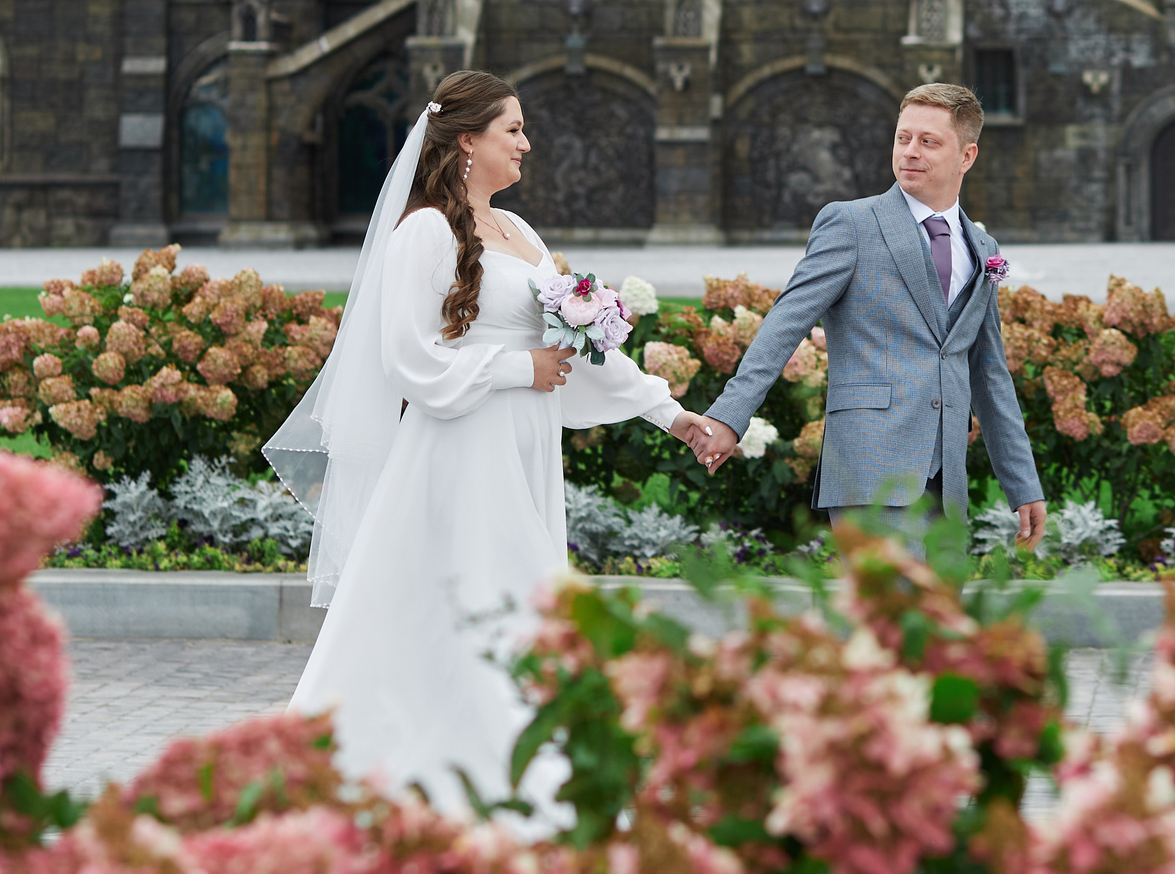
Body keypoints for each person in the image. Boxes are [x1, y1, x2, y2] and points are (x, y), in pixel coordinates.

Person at [267, 69, 714, 806]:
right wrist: (516, 369)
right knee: (485, 592)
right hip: (461, 448)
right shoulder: (423, 232)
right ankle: (476, 765)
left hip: (524, 445)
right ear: (468, 140)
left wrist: (670, 413)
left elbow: (574, 353)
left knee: (516, 597)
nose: (527, 143)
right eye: (514, 129)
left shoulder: (522, 232)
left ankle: (505, 755)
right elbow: (409, 360)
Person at [688, 83, 1046, 546]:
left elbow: (990, 373)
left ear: (967, 156)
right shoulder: (851, 223)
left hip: (946, 484)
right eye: (903, 138)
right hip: (868, 468)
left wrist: (1022, 483)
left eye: (928, 141)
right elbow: (785, 323)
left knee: (942, 597)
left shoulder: (982, 248)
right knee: (887, 595)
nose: (910, 151)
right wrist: (729, 416)